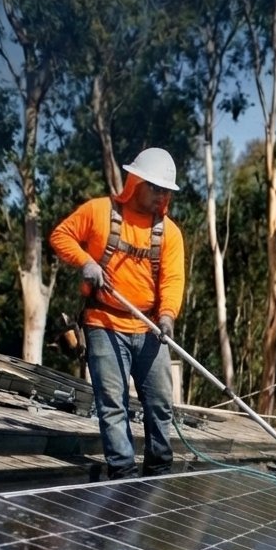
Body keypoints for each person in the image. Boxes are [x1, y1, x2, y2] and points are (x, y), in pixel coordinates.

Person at [50, 148, 185, 479]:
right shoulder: (98, 212)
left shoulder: (169, 233)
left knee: (159, 405)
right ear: (135, 182)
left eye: (166, 190)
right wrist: (86, 262)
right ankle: (124, 476)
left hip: (150, 328)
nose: (161, 195)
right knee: (113, 403)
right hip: (104, 323)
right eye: (155, 187)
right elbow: (60, 236)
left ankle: (158, 472)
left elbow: (172, 279)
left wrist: (167, 316)